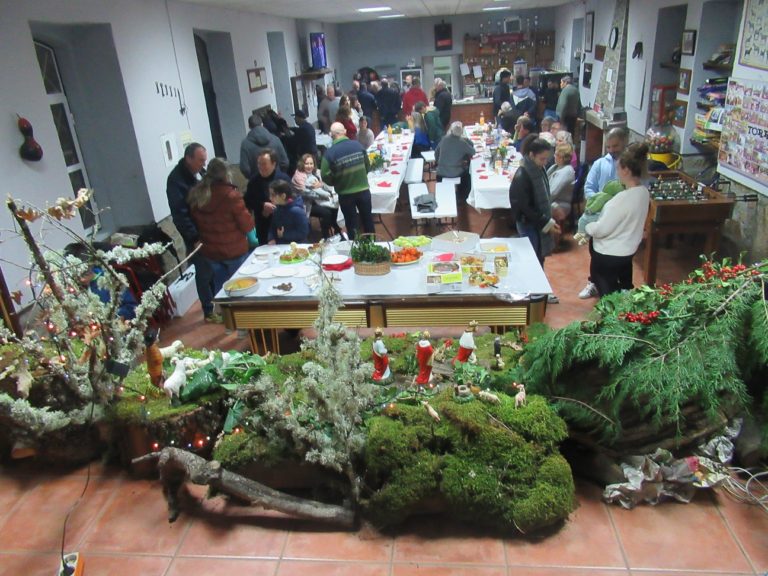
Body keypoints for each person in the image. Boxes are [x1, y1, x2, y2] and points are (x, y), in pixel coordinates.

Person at [585, 143, 650, 296]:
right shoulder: (644, 193)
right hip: (628, 252)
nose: (617, 172)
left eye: (618, 168)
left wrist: (588, 226)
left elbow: (601, 230)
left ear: (626, 170)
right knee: (620, 291)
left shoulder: (619, 200)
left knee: (608, 295)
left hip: (608, 255)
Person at [188, 158, 257, 296]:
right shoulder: (231, 196)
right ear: (227, 174)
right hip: (234, 251)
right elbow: (246, 225)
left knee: (221, 290)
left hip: (211, 252)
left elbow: (195, 221)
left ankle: (224, 315)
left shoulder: (198, 194)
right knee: (241, 289)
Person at [166, 142, 216, 322]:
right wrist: (194, 237)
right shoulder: (176, 181)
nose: (203, 164)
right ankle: (209, 310)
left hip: (209, 230)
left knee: (213, 268)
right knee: (203, 270)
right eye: (200, 160)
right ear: (189, 159)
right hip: (195, 234)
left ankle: (215, 303)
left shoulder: (199, 174)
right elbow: (180, 214)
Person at [578, 127, 628, 299]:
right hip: (601, 216)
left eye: (615, 146)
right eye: (609, 147)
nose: (612, 150)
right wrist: (599, 201)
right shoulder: (600, 164)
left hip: (622, 218)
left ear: (624, 143)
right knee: (596, 251)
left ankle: (623, 287)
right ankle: (593, 283)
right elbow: (589, 187)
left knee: (621, 254)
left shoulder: (630, 165)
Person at [509, 135, 560, 266]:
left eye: (546, 159)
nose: (545, 162)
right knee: (532, 261)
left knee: (538, 258)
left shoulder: (538, 169)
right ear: (531, 155)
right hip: (528, 224)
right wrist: (546, 222)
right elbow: (526, 208)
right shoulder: (523, 175)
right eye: (542, 159)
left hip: (536, 222)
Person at [321, 122, 373, 239]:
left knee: (351, 224)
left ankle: (355, 251)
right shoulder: (358, 145)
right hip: (363, 190)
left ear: (331, 135)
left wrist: (335, 182)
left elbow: (325, 175)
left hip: (345, 193)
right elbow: (367, 166)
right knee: (368, 221)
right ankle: (373, 246)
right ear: (344, 131)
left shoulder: (329, 153)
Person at [64, 242, 138, 321]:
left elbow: (131, 306)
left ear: (91, 265)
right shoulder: (70, 288)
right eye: (76, 276)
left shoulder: (109, 281)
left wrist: (117, 317)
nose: (81, 280)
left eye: (85, 273)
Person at [244, 149, 291, 246]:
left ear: (273, 164)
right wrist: (262, 205)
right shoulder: (254, 181)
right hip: (263, 224)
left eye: (264, 164)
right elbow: (247, 201)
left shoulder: (283, 179)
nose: (261, 167)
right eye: (259, 164)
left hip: (282, 224)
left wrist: (276, 207)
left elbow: (291, 200)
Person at [292, 153, 342, 239]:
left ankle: (336, 228)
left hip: (318, 200)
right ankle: (326, 236)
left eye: (311, 163)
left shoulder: (316, 172)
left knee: (335, 207)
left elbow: (325, 182)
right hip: (306, 204)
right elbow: (307, 193)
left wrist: (320, 185)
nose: (309, 166)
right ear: (302, 164)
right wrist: (325, 195)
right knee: (327, 212)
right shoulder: (299, 177)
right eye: (306, 163)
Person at [435, 121, 475, 204]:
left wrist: (439, 162)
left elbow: (436, 153)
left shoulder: (444, 139)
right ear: (461, 133)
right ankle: (463, 197)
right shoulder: (462, 142)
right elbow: (473, 152)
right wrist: (467, 140)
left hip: (441, 172)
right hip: (456, 172)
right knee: (468, 174)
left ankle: (443, 195)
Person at [239, 113, 289, 179]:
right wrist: (279, 174)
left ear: (249, 126)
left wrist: (252, 178)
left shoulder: (245, 144)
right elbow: (285, 162)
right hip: (277, 180)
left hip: (257, 182)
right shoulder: (275, 139)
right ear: (262, 124)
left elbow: (245, 168)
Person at [267, 180, 309, 245]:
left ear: (283, 196)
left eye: (273, 195)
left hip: (297, 246)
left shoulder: (297, 211)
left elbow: (303, 232)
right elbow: (273, 227)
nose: (270, 198)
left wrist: (283, 235)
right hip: (280, 244)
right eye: (270, 195)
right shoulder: (277, 209)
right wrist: (271, 238)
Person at [548, 142, 576, 224]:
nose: (554, 156)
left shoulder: (566, 171)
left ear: (562, 157)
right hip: (552, 200)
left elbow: (552, 193)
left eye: (556, 154)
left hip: (560, 204)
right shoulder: (556, 166)